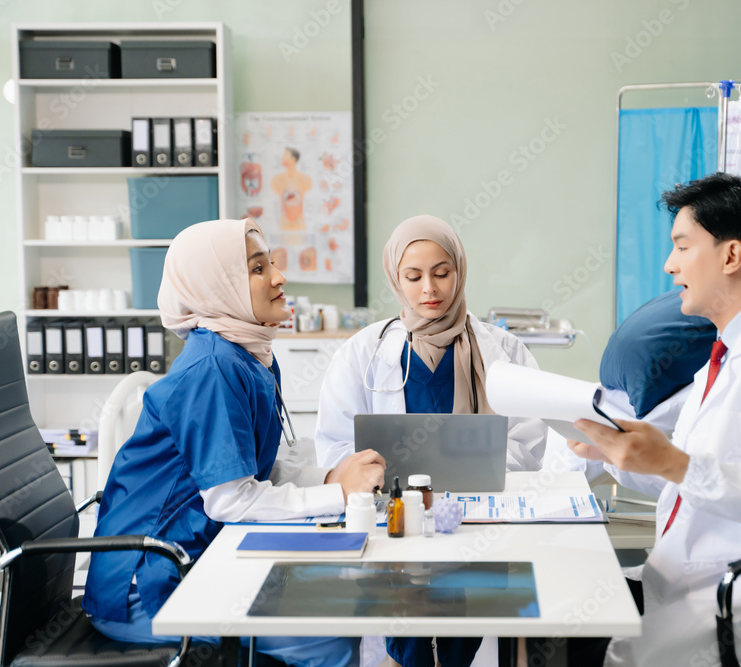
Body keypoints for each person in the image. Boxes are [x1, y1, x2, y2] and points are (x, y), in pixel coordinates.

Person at [569, 173, 741, 666]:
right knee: (569, 613)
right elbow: (695, 482)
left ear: (731, 256)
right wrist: (620, 455)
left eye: (682, 247)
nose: (669, 265)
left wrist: (675, 463)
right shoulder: (725, 353)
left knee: (587, 649)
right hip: (701, 577)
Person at [83, 218, 385, 667]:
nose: (279, 278)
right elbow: (229, 500)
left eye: (273, 263)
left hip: (196, 556)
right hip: (148, 583)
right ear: (217, 285)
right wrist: (335, 492)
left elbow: (253, 465)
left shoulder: (246, 352)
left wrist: (329, 477)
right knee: (329, 636)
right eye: (257, 268)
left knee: (340, 601)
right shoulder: (213, 369)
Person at [315, 214, 548, 666]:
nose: (430, 289)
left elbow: (529, 439)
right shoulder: (363, 354)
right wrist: (368, 479)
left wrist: (477, 474)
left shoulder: (502, 351)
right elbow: (335, 446)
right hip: (394, 523)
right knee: (404, 631)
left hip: (477, 522)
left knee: (470, 628)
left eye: (442, 273)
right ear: (395, 279)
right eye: (414, 276)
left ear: (459, 270)